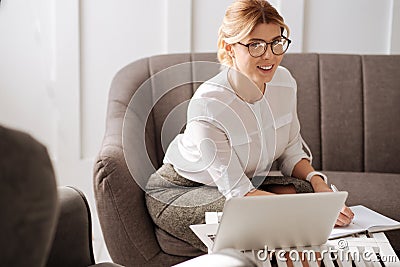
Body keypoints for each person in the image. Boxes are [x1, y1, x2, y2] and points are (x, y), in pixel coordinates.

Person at [145, 0, 354, 252]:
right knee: (272, 222)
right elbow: (238, 193)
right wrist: (312, 213)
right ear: (229, 47)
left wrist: (321, 188)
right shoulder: (210, 104)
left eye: (276, 42)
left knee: (304, 193)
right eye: (255, 44)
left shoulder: (284, 82)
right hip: (181, 191)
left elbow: (291, 151)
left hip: (241, 185)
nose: (269, 55)